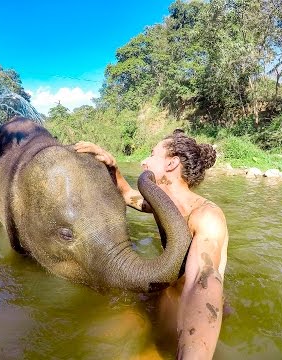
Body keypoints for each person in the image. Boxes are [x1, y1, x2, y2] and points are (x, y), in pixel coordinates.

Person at [74, 129, 229, 360]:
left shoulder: (206, 216)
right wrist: (112, 165)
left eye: (152, 154)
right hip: (165, 292)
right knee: (101, 337)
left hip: (191, 309)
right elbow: (127, 195)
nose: (143, 161)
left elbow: (202, 281)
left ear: (171, 163)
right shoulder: (160, 204)